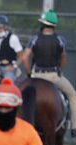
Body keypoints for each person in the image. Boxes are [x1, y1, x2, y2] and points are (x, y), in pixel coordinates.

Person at [21, 9, 76, 138]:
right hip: (54, 76)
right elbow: (63, 57)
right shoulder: (60, 40)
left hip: (36, 75)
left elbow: (24, 58)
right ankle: (74, 127)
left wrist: (29, 73)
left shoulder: (34, 39)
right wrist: (59, 71)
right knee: (73, 95)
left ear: (42, 24)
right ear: (54, 25)